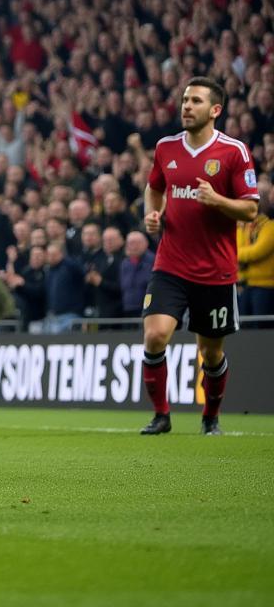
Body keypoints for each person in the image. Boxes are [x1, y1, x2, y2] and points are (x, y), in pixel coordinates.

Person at [140, 77, 259, 436]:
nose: (186, 106)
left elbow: (251, 211)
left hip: (215, 271)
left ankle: (211, 417)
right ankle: (161, 415)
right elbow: (154, 186)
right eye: (184, 99)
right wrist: (153, 213)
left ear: (215, 110)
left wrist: (217, 201)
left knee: (210, 354)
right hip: (170, 264)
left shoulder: (234, 152)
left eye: (195, 101)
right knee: (155, 336)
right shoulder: (166, 148)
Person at [237, 177, 274, 324]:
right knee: (243, 328)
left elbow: (256, 252)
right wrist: (240, 227)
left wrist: (235, 254)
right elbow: (236, 246)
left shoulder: (270, 227)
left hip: (265, 288)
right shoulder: (243, 226)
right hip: (245, 285)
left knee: (261, 328)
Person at [119, 230, 154, 318]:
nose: (133, 246)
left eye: (137, 243)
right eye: (130, 243)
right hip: (128, 308)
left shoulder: (153, 261)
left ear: (146, 243)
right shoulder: (125, 263)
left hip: (147, 310)